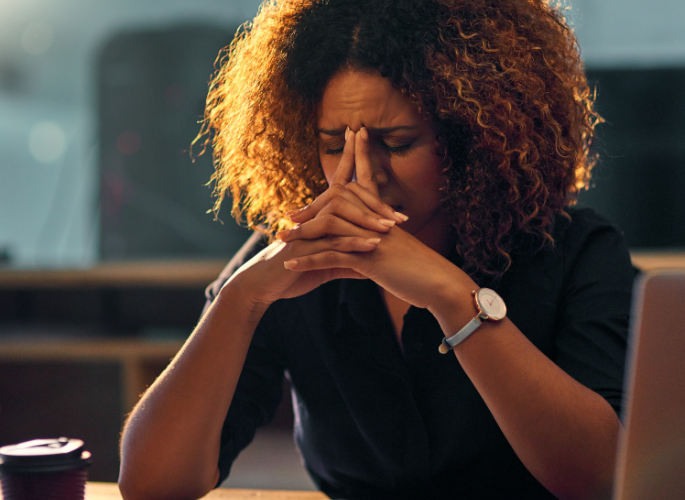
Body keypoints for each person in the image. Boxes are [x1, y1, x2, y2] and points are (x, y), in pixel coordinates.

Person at [119, 0, 635, 498]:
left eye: (397, 142)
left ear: (471, 139)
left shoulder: (578, 253)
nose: (362, 175)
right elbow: (150, 484)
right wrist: (238, 300)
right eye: (333, 145)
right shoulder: (287, 260)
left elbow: (599, 479)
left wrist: (453, 297)